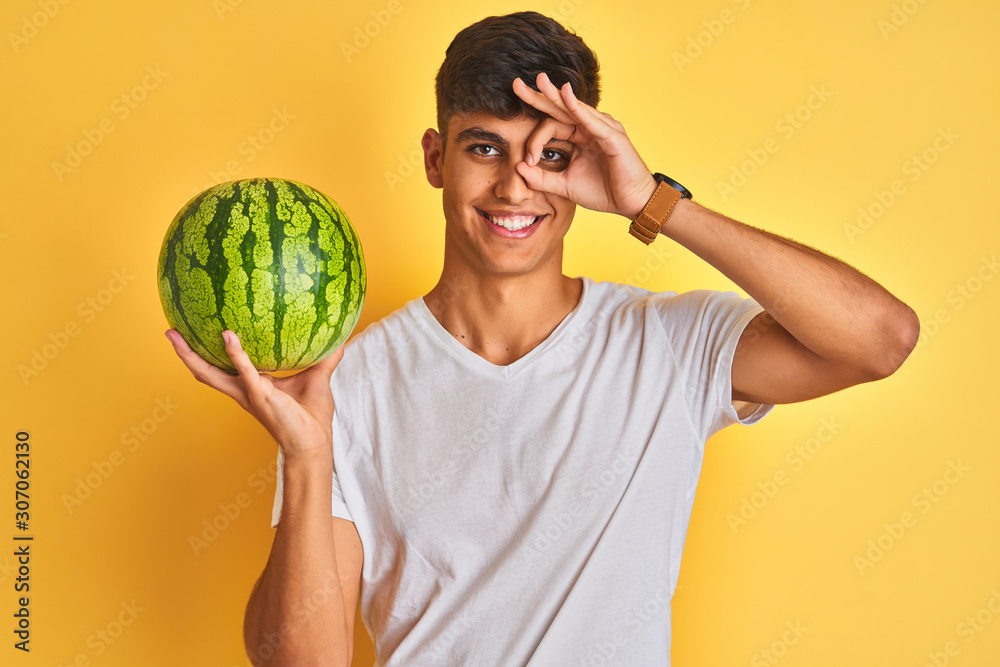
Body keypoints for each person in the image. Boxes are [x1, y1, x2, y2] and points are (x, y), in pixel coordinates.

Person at [165, 11, 918, 666]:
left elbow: (880, 338)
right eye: (485, 148)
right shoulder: (343, 382)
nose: (517, 187)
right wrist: (306, 454)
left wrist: (653, 203)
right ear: (436, 157)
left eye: (551, 156)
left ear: (585, 161)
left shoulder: (666, 345)